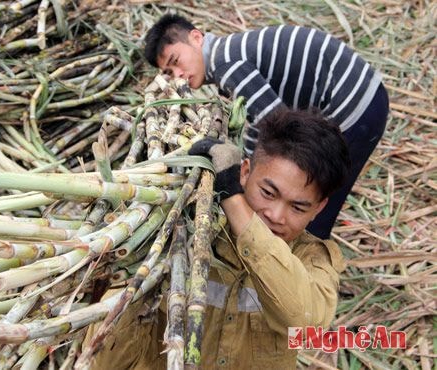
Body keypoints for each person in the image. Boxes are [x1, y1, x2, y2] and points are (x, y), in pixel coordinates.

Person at [86, 109, 350, 369]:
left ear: (319, 208)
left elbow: (304, 324)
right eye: (268, 193)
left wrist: (233, 198)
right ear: (245, 172)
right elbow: (105, 354)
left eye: (298, 207)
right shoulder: (184, 233)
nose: (276, 215)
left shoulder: (312, 261)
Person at [144, 14, 389, 239]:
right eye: (169, 72)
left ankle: (305, 273)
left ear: (196, 37)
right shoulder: (231, 52)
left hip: (356, 105)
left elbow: (275, 124)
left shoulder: (225, 61)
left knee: (311, 194)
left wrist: (242, 173)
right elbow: (268, 122)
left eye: (176, 61)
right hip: (364, 97)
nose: (178, 75)